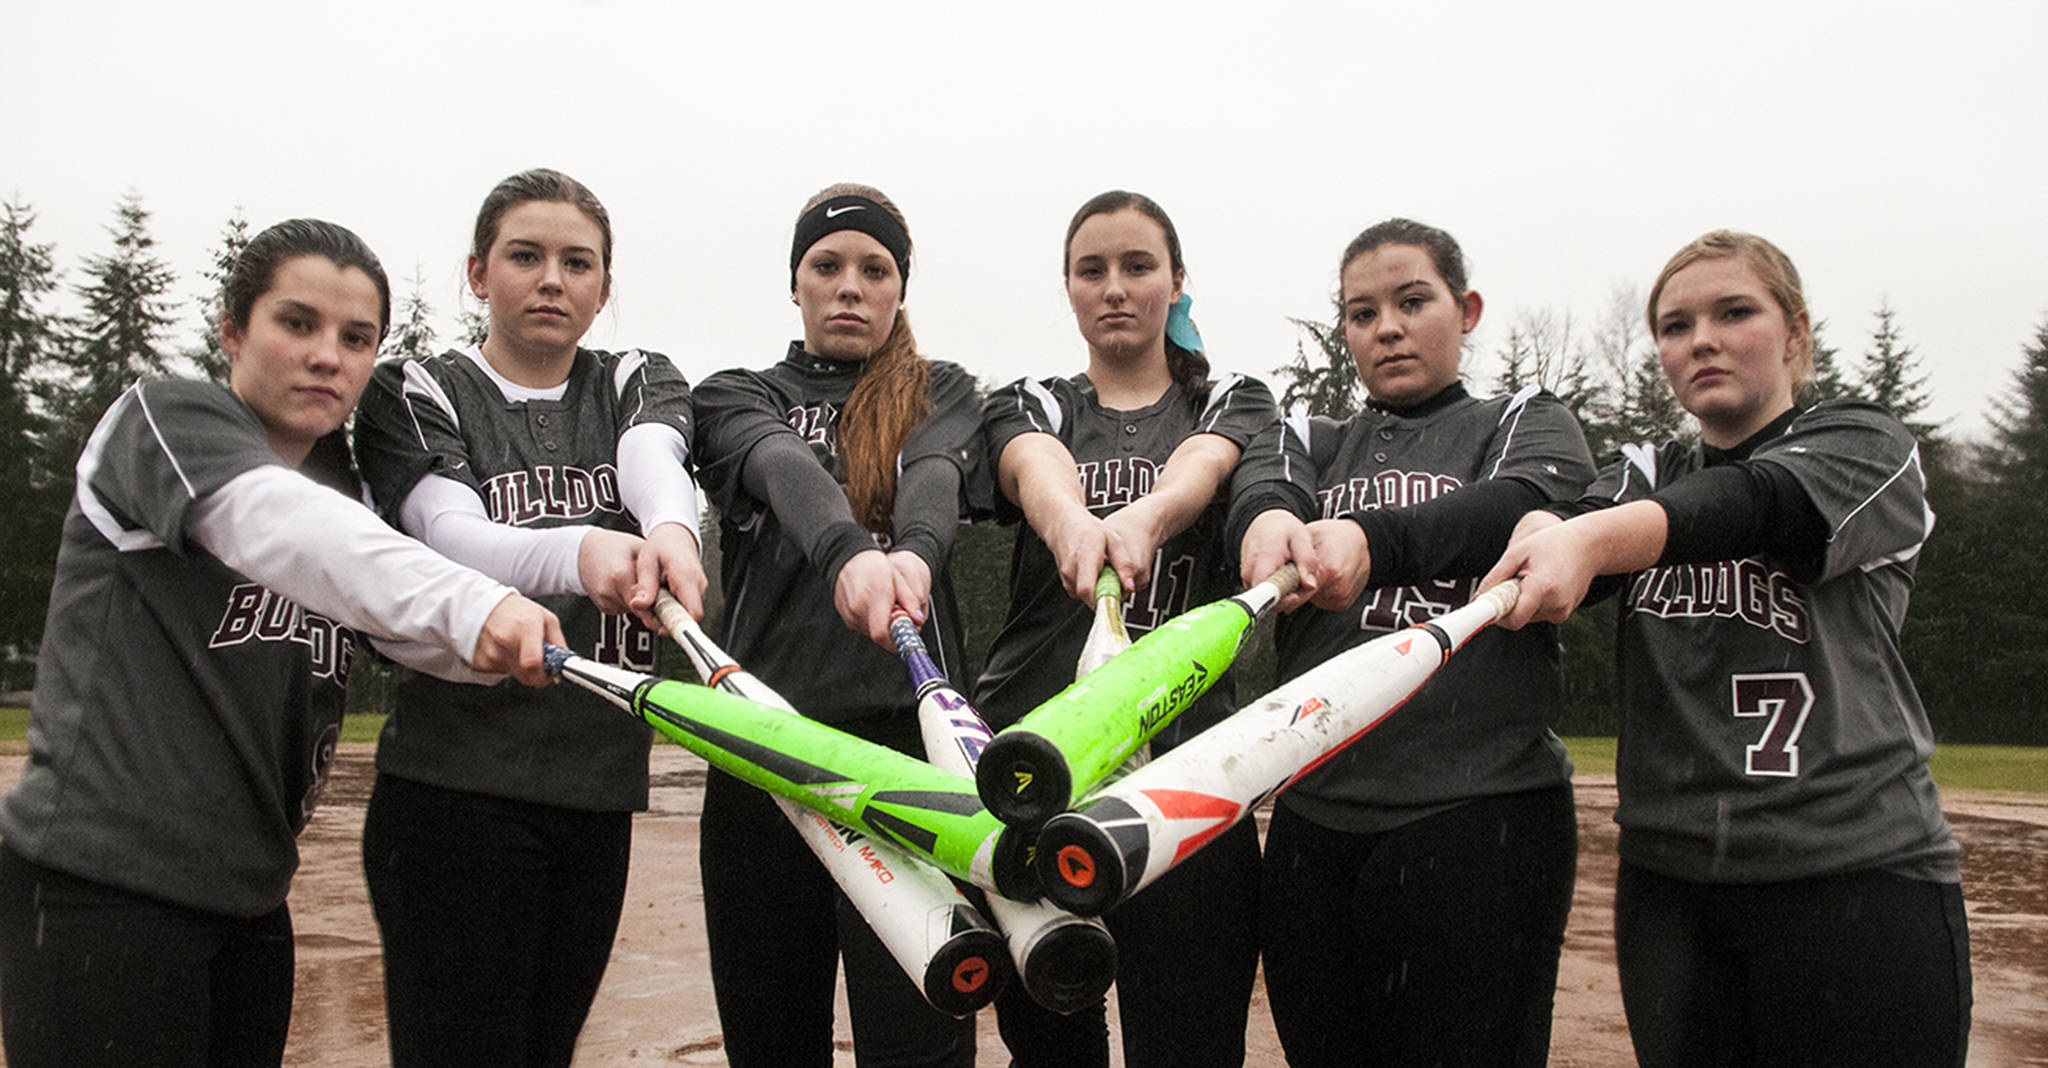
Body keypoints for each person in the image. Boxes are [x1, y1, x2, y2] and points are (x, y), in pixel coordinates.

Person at [0, 218, 561, 1067]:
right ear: (233, 331)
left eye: (356, 337)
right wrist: (478, 604)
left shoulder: (342, 488)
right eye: (296, 324)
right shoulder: (164, 420)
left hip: (253, 900)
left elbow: (400, 626)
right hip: (101, 894)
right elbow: (292, 532)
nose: (328, 356)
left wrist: (533, 629)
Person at [1481, 230, 1971, 1066]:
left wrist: (1593, 538)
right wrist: (1547, 530)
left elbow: (1756, 501)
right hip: (1670, 888)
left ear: (1796, 333)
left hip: (1854, 873)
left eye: (1733, 312)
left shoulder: (1867, 443)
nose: (1699, 338)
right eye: (1675, 326)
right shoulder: (1646, 466)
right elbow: (1577, 551)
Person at [351, 168, 706, 1067]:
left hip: (595, 789)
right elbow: (448, 535)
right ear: (478, 273)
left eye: (577, 262)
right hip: (457, 789)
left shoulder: (633, 377)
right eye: (526, 256)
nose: (553, 278)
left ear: (603, 288)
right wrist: (583, 552)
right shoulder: (416, 391)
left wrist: (670, 528)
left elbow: (651, 455)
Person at [1228, 218, 1593, 1066]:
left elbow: (1518, 504)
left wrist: (1370, 539)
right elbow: (1264, 486)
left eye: (1412, 301)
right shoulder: (1313, 437)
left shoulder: (1522, 418)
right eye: (1361, 313)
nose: (1385, 326)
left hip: (1480, 813)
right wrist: (1270, 520)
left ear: (1465, 310)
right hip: (1317, 820)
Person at [974, 190, 1277, 1068]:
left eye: (1139, 267)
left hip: (1190, 774)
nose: (1115, 287)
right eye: (1091, 270)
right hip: (1037, 769)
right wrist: (1070, 521)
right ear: (1067, 288)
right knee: (1052, 1037)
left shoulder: (1232, 398)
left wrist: (1145, 518)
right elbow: (1034, 467)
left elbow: (1203, 465)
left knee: (1187, 1037)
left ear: (1176, 282)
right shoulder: (1035, 400)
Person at [689, 183, 982, 1067]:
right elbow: (782, 468)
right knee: (771, 1040)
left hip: (912, 763)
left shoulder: (946, 389)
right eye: (828, 266)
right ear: (796, 284)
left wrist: (916, 556)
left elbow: (934, 472)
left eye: (875, 269)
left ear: (899, 291)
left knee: (919, 1043)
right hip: (762, 757)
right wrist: (850, 552)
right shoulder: (735, 394)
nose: (850, 286)